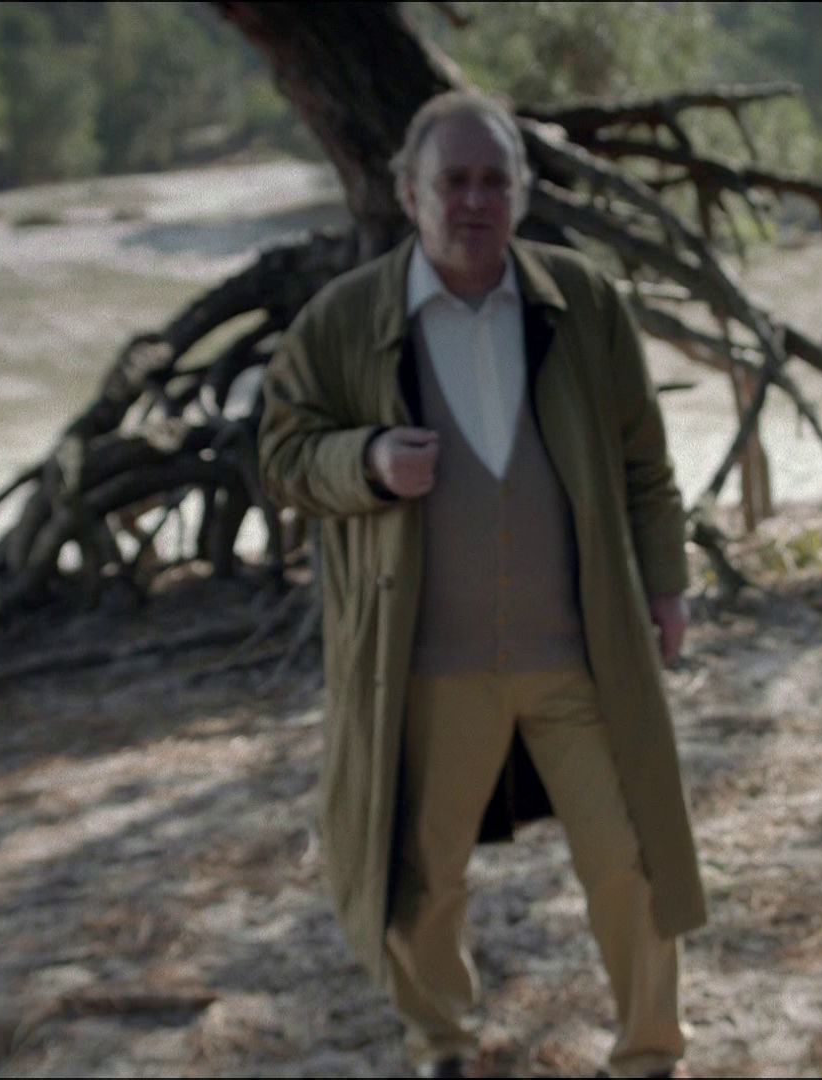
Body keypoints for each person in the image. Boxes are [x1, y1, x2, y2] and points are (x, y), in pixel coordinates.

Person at [257, 89, 705, 1079]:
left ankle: (649, 1055)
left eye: (492, 180)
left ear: (522, 192)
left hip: (580, 656)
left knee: (631, 859)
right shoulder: (344, 320)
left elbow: (644, 463)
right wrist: (367, 460)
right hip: (427, 666)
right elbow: (281, 456)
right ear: (409, 193)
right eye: (452, 180)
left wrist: (666, 587)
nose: (473, 199)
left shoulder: (582, 303)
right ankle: (444, 1047)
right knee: (421, 879)